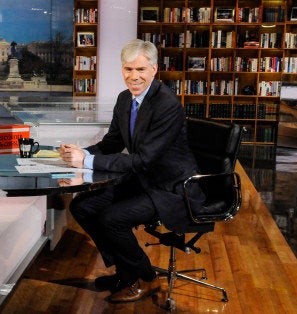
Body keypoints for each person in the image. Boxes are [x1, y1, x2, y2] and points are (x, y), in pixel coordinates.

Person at [58, 39, 204, 303]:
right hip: (144, 180)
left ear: (154, 69)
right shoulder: (125, 99)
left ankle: (146, 278)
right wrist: (80, 154)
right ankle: (127, 272)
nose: (133, 77)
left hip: (171, 187)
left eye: (140, 70)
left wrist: (86, 162)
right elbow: (112, 143)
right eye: (128, 69)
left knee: (112, 219)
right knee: (82, 207)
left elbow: (142, 160)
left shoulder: (167, 105)